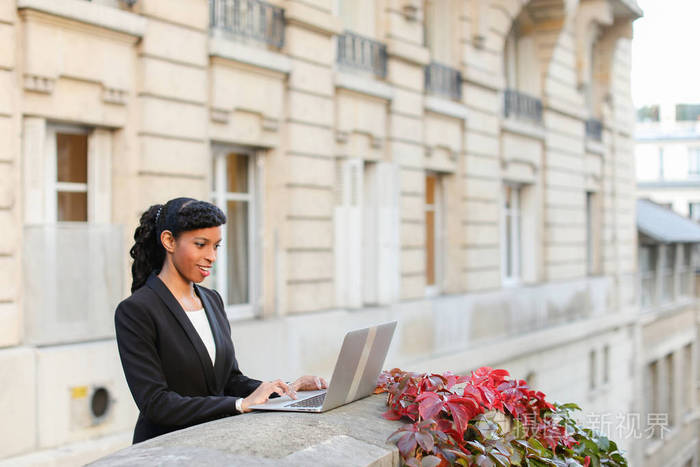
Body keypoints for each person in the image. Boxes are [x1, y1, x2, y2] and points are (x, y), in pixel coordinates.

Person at [115, 197, 328, 443]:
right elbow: (156, 403)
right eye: (201, 244)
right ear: (169, 241)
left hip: (213, 442)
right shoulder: (136, 311)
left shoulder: (211, 299)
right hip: (166, 448)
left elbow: (230, 380)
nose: (211, 256)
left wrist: (287, 391)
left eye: (216, 246)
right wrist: (238, 405)